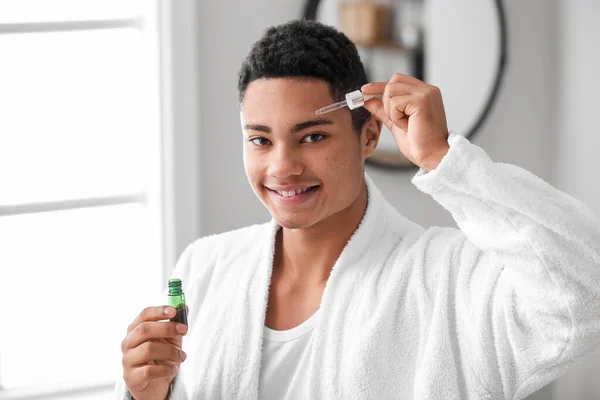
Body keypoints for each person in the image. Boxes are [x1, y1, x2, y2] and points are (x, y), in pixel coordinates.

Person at [115, 19, 600, 400]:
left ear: (369, 135)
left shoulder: (450, 284)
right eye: (260, 140)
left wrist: (443, 160)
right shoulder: (206, 269)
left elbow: (584, 289)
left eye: (312, 136)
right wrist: (147, 396)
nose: (282, 167)